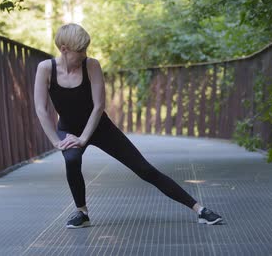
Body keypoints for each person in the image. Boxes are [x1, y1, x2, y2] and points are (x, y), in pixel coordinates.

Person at [33, 23, 223, 228]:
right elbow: (41, 108)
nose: (84, 54)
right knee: (72, 159)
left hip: (99, 127)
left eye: (85, 49)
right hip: (68, 130)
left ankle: (199, 209)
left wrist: (83, 138)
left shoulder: (91, 65)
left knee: (144, 169)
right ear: (64, 49)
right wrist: (57, 142)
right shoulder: (46, 69)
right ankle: (82, 212)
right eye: (80, 51)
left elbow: (98, 106)